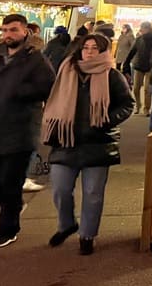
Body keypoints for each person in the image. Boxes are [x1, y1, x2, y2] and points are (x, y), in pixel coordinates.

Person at [41, 32, 133, 255]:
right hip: (66, 141)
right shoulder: (66, 72)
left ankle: (87, 235)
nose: (89, 52)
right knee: (61, 190)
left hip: (98, 143)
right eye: (86, 48)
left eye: (95, 48)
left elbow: (128, 104)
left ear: (103, 52)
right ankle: (66, 224)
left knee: (93, 193)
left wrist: (106, 120)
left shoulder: (112, 75)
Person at [0, 14, 55, 249]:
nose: (8, 34)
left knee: (10, 181)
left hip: (21, 129)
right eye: (5, 30)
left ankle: (8, 228)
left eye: (13, 30)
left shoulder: (37, 60)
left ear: (25, 32)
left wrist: (17, 91)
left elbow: (48, 87)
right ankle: (14, 206)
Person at [124, 21, 152, 115]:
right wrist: (126, 62)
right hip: (139, 65)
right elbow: (132, 52)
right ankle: (138, 106)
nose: (141, 31)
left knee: (147, 89)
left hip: (150, 66)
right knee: (136, 88)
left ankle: (146, 108)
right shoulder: (139, 39)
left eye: (143, 29)